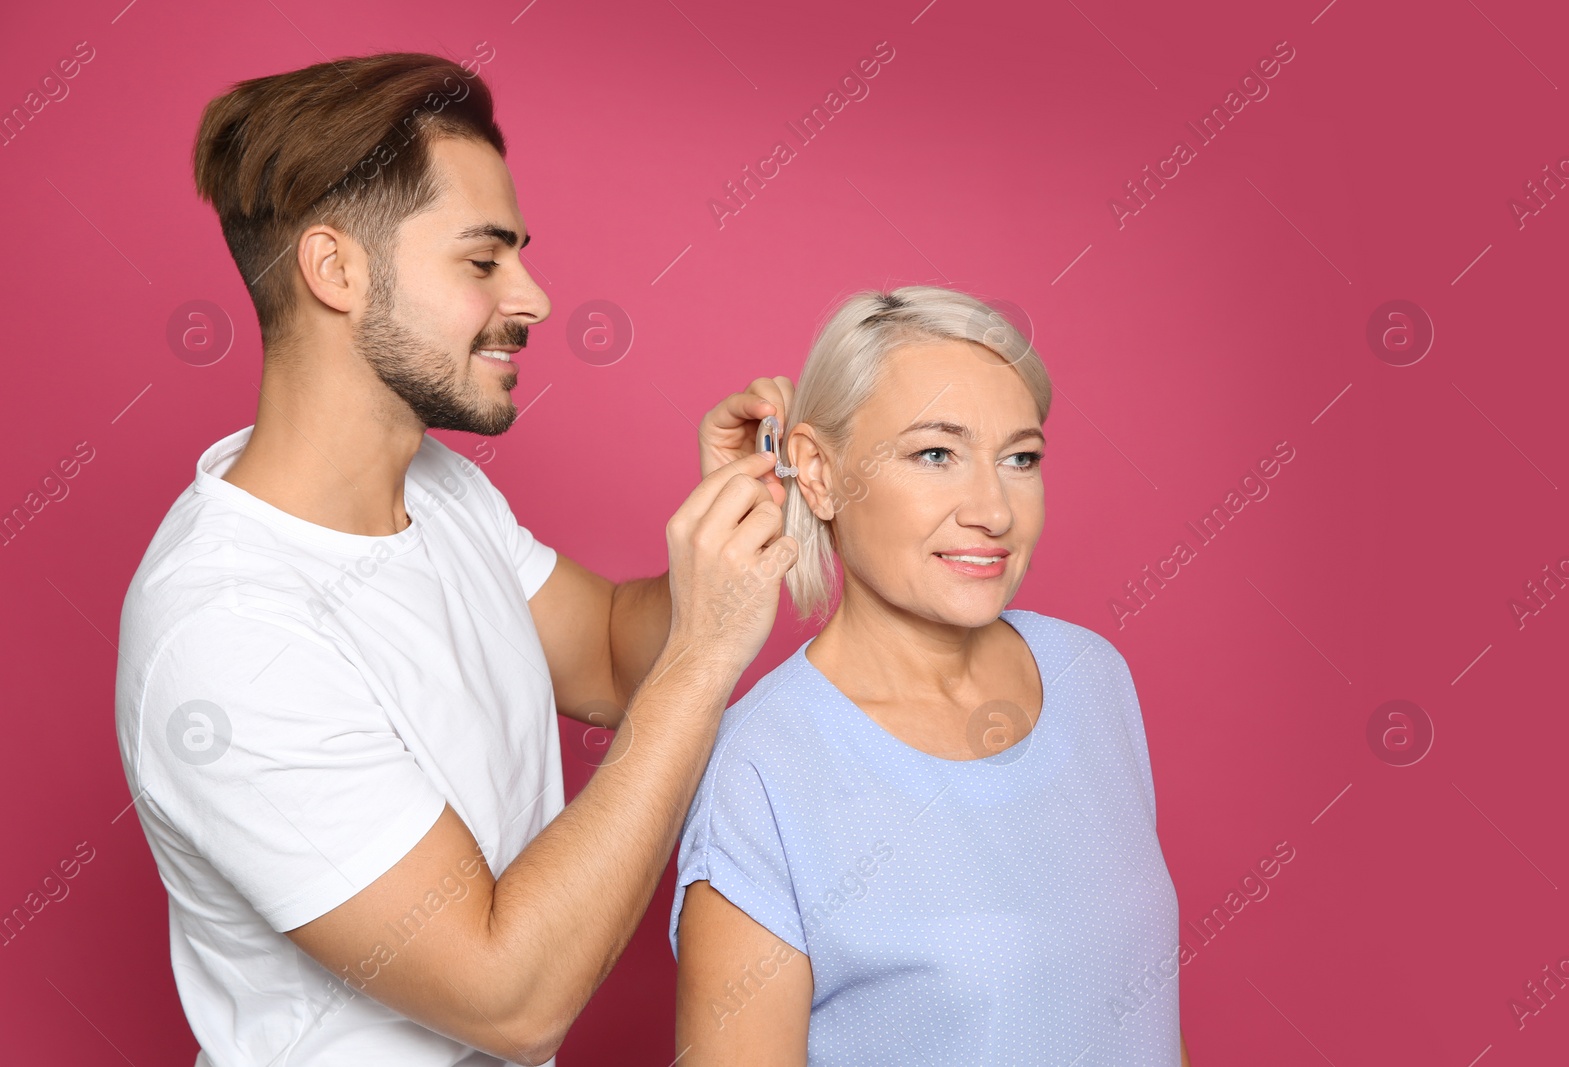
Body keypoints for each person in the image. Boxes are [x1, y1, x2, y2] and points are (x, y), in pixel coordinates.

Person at [114, 52, 797, 1066]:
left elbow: (611, 656)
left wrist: (727, 521)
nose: (535, 297)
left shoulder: (439, 492)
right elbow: (508, 994)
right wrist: (703, 658)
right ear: (335, 269)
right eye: (482, 262)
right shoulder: (227, 632)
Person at [670, 286, 1191, 1065]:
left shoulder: (1092, 677)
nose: (993, 508)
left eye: (1020, 458)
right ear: (815, 470)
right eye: (935, 454)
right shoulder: (761, 770)